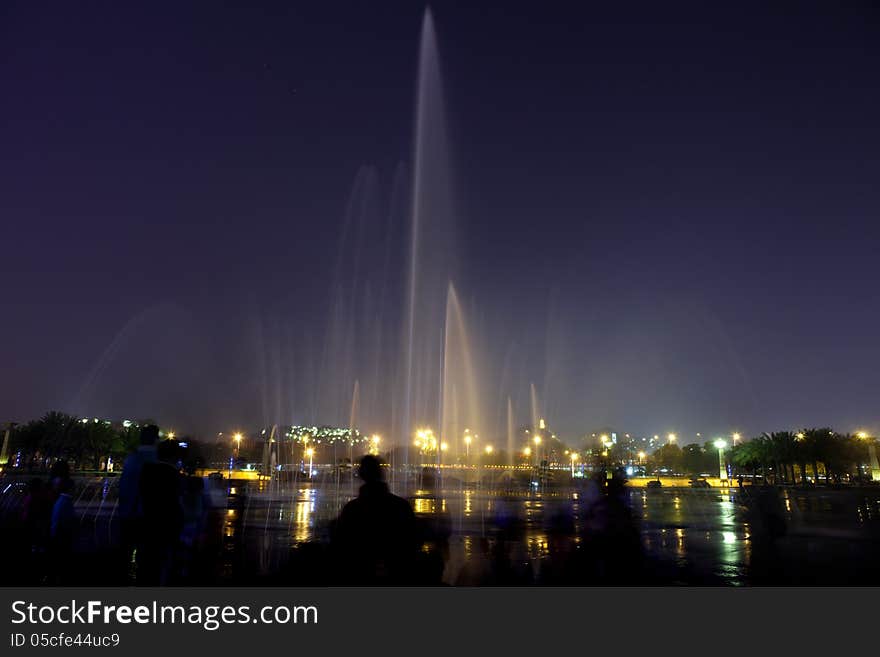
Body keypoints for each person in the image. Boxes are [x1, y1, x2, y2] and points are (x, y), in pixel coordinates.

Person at [333, 454, 419, 584]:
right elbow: (412, 540)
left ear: (361, 475)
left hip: (359, 577)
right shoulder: (400, 506)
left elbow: (341, 545)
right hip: (397, 577)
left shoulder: (353, 509)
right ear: (382, 474)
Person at [136, 439, 184, 585]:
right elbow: (176, 503)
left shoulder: (146, 471)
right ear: (174, 456)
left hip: (147, 525)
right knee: (163, 567)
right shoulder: (174, 475)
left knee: (147, 567)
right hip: (167, 527)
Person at [116, 424, 158, 582]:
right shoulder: (156, 460)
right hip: (148, 517)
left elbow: (124, 488)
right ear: (155, 439)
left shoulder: (131, 459)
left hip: (128, 514)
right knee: (147, 563)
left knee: (124, 557)